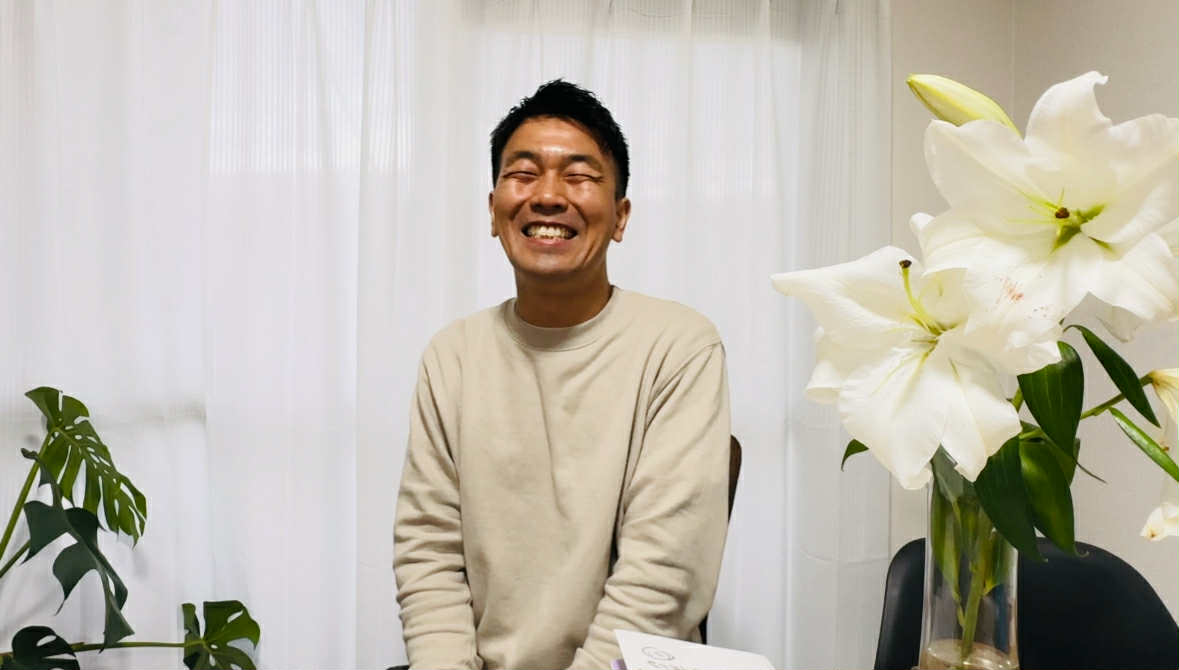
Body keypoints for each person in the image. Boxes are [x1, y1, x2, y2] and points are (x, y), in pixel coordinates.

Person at [393, 80, 731, 670]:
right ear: (493, 210)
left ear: (620, 216)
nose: (548, 196)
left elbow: (663, 575)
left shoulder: (679, 348)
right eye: (524, 174)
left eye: (579, 177)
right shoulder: (454, 356)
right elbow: (428, 555)